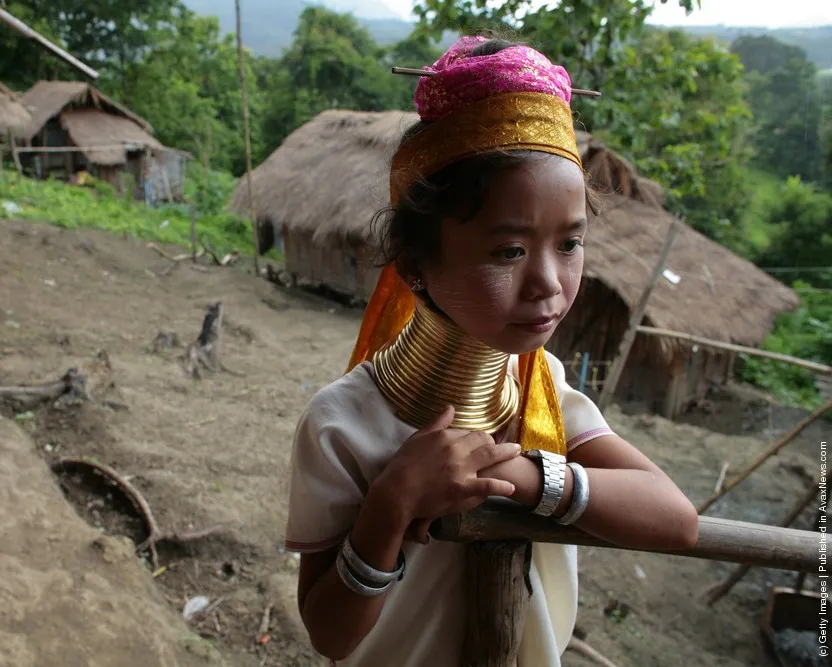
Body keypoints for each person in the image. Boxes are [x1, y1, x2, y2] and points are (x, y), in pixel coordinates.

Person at [283, 36, 700, 667]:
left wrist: (518, 475)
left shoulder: (541, 388)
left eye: (570, 243)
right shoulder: (341, 426)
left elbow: (676, 519)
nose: (549, 284)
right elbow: (330, 636)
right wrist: (392, 503)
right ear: (415, 264)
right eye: (509, 251)